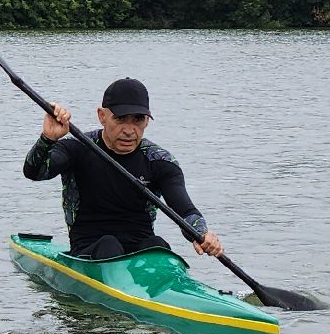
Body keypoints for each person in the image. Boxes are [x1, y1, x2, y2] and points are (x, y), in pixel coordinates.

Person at [23, 77, 226, 260]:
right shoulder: (77, 148)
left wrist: (203, 233)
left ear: (147, 120)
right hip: (89, 249)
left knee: (158, 247)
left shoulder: (159, 160)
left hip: (142, 249)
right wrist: (47, 139)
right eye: (120, 119)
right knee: (109, 245)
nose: (129, 131)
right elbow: (34, 172)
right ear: (102, 116)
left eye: (138, 120)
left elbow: (185, 209)